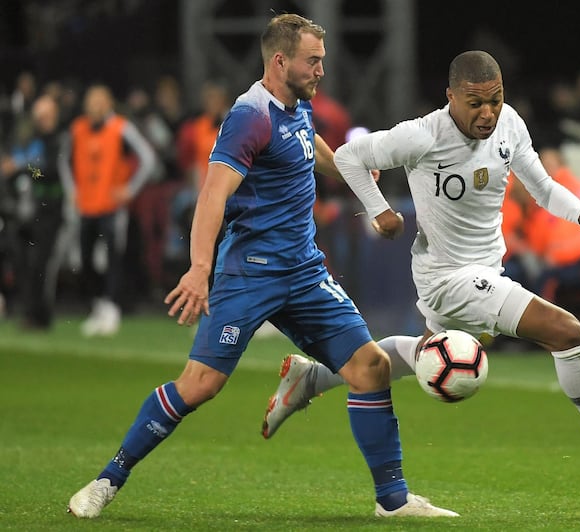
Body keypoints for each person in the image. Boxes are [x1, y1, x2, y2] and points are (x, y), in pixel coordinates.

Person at [67, 13, 456, 520]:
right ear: (280, 61)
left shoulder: (295, 105)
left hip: (305, 273)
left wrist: (345, 165)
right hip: (249, 274)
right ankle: (107, 478)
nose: (321, 70)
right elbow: (213, 192)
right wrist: (199, 267)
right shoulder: (250, 115)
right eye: (312, 61)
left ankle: (393, 500)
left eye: (322, 60)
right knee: (200, 385)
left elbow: (307, 147)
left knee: (370, 367)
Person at [261, 50, 580, 488]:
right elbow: (348, 156)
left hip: (487, 270)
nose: (488, 113)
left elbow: (542, 187)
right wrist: (379, 210)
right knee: (567, 332)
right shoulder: (422, 135)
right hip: (445, 279)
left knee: (421, 352)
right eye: (475, 102)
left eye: (495, 100)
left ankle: (312, 378)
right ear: (451, 97)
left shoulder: (510, 124)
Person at [58, 84, 157, 336]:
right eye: (91, 101)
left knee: (114, 257)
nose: (95, 106)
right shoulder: (78, 129)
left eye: (100, 101)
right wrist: (72, 189)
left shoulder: (120, 127)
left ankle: (111, 308)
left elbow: (147, 157)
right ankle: (98, 305)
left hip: (112, 206)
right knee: (85, 260)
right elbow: (63, 160)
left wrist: (129, 189)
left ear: (109, 103)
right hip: (86, 206)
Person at [0, 94, 67, 329]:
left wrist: (20, 166)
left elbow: (46, 171)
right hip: (32, 208)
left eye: (46, 115)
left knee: (42, 265)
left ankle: (42, 314)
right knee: (26, 263)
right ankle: (32, 313)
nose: (42, 120)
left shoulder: (60, 140)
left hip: (54, 207)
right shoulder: (34, 140)